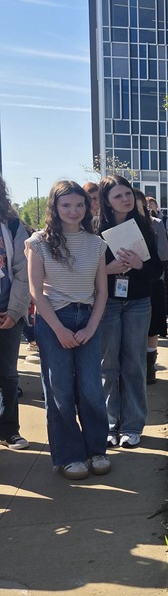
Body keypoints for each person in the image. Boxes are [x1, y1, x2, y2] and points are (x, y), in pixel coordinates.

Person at [26, 181, 110, 479]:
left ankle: (96, 449)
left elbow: (102, 291)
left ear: (87, 207)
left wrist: (91, 326)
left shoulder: (96, 242)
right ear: (55, 207)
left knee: (90, 388)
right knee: (60, 390)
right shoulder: (38, 242)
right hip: (53, 321)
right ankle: (69, 455)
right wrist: (59, 329)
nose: (73, 211)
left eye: (79, 205)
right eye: (66, 205)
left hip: (87, 318)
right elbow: (36, 291)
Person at [97, 175, 162, 448]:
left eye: (127, 194)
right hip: (107, 302)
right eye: (118, 196)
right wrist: (107, 270)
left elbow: (156, 271)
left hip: (138, 303)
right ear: (107, 202)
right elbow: (84, 270)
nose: (125, 200)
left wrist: (138, 265)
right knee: (108, 365)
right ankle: (110, 424)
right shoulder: (94, 229)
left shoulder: (143, 227)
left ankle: (133, 426)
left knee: (134, 364)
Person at [0, 176, 32, 450]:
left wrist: (15, 310)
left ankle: (10, 430)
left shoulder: (11, 225)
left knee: (8, 375)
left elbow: (23, 272)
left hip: (7, 312)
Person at [132, 189, 168, 384]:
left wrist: (141, 254)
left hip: (153, 280)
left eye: (140, 206)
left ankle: (149, 366)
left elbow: (164, 253)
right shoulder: (123, 226)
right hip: (130, 283)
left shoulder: (155, 224)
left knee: (152, 327)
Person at [145, 196, 168, 325]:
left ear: (157, 205)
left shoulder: (164, 221)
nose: (149, 205)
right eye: (146, 204)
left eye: (151, 203)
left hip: (165, 260)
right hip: (150, 262)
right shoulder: (143, 222)